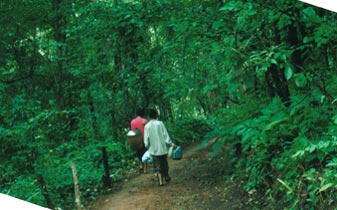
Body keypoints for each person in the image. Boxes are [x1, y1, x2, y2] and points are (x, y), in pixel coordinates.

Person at [144, 108, 175, 186]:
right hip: (162, 148)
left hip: (153, 150)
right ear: (156, 115)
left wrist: (147, 146)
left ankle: (160, 181)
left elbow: (146, 139)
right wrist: (170, 143)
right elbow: (165, 135)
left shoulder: (147, 126)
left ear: (149, 116)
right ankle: (167, 176)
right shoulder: (160, 123)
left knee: (157, 165)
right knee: (164, 163)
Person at [130, 107, 148, 174]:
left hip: (135, 140)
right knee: (144, 153)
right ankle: (145, 169)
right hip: (144, 139)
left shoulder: (132, 122)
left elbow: (132, 131)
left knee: (139, 152)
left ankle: (141, 165)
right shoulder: (145, 121)